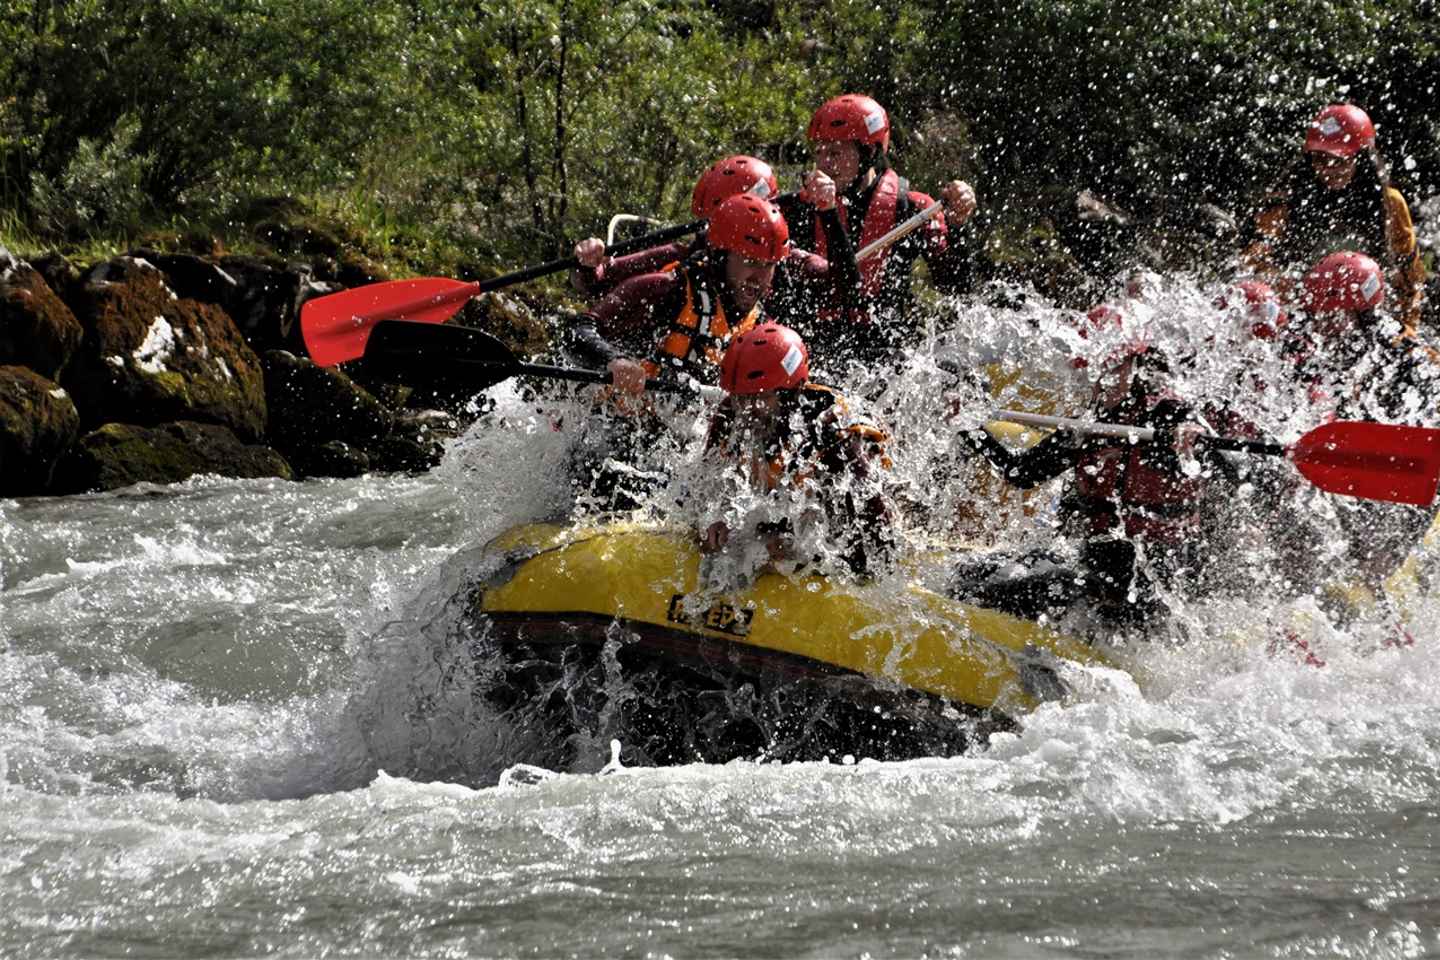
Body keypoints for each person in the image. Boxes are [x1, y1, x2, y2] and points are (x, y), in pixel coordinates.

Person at [950, 339, 1258, 629]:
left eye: (1111, 370)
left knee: (998, 593)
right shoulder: (1092, 423)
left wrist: (1193, 441)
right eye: (1096, 371)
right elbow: (1020, 473)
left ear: (1137, 371)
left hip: (1151, 580)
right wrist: (966, 425)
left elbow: (1237, 470)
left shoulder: (1170, 415)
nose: (1099, 381)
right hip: (1096, 563)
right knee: (970, 573)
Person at [777, 94, 979, 361]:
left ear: (870, 153)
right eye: (820, 152)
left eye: (836, 152)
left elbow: (957, 284)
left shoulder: (912, 209)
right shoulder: (797, 210)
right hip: (815, 348)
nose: (825, 163)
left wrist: (957, 226)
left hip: (884, 349)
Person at [569, 155, 861, 333]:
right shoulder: (674, 271)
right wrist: (587, 264)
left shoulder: (786, 261)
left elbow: (847, 285)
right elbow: (596, 284)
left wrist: (828, 211)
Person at [695, 323, 895, 580]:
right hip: (796, 511)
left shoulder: (834, 432)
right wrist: (712, 522)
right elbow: (702, 490)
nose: (745, 410)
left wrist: (804, 553)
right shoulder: (729, 413)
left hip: (858, 515)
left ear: (789, 394)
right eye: (739, 398)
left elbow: (877, 531)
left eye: (758, 398)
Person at [1242, 103, 1428, 334]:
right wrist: (1291, 291)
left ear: (1361, 157)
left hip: (1364, 315)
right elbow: (1255, 263)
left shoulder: (1389, 203)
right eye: (1320, 159)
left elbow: (1409, 275)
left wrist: (1408, 328)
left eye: (1339, 160)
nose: (1329, 169)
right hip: (1304, 314)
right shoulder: (1283, 202)